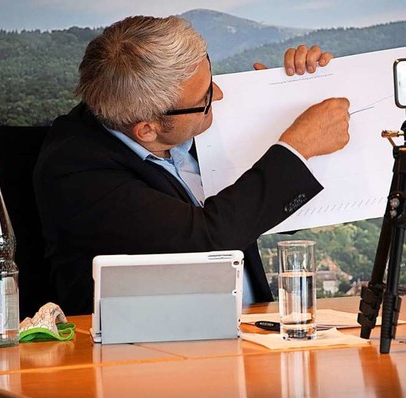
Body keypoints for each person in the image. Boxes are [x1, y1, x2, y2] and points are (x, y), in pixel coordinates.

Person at [33, 15, 350, 315]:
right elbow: (208, 240)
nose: (221, 96)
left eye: (211, 81)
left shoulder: (180, 120)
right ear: (148, 129)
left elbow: (256, 212)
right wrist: (297, 146)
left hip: (253, 329)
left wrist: (281, 107)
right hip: (157, 354)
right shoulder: (75, 170)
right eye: (207, 98)